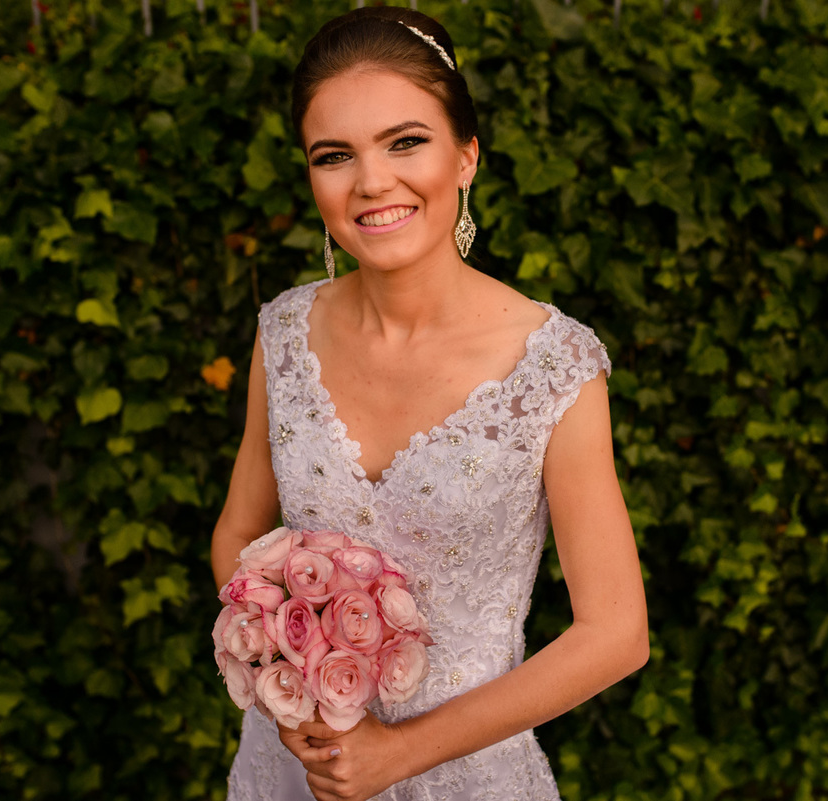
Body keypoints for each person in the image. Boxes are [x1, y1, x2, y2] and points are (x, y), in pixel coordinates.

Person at [209, 7, 648, 801]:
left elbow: (615, 634)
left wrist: (397, 754)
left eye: (405, 141)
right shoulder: (282, 331)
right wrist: (284, 681)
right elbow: (239, 534)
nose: (372, 182)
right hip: (294, 769)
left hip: (467, 781)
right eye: (334, 155)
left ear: (466, 157)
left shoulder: (554, 366)